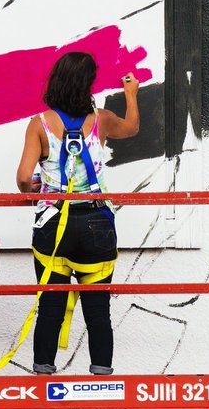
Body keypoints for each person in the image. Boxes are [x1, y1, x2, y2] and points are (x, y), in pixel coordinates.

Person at [15, 52, 140, 376]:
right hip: (96, 224)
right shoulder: (102, 119)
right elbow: (131, 128)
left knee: (50, 308)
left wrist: (36, 193)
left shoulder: (39, 125)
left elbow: (25, 178)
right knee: (98, 310)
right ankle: (102, 378)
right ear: (87, 85)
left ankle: (43, 377)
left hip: (54, 226)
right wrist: (130, 95)